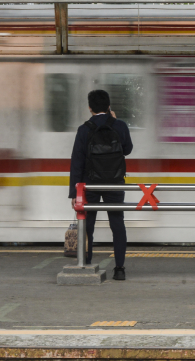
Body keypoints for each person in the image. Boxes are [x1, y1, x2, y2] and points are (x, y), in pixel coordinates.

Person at [69, 90, 134, 281]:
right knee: (117, 223)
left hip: (90, 184)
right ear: (109, 106)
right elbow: (128, 150)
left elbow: (77, 162)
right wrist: (115, 121)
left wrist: (74, 191)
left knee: (88, 225)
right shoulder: (120, 125)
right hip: (114, 182)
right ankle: (120, 268)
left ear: (90, 108)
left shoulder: (84, 129)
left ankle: (87, 263)